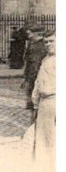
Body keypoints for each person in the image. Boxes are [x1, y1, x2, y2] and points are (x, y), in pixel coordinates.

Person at [31, 30, 55, 163]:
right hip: (43, 104)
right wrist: (35, 104)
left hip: (55, 101)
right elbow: (38, 82)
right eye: (46, 42)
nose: (48, 44)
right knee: (41, 138)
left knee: (54, 139)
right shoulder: (45, 59)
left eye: (51, 41)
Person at [23, 25, 47, 110]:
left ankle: (34, 105)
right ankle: (30, 104)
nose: (29, 36)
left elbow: (36, 62)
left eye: (30, 34)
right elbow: (27, 57)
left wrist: (33, 75)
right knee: (30, 88)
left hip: (35, 71)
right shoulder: (32, 43)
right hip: (30, 69)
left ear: (36, 34)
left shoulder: (40, 46)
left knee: (34, 88)